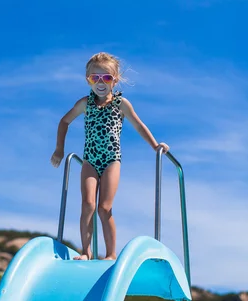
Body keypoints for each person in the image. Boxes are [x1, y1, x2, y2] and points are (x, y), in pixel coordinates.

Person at [50, 52, 169, 261]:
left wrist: (155, 145)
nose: (100, 82)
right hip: (90, 160)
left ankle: (111, 254)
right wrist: (59, 149)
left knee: (104, 208)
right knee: (88, 204)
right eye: (94, 78)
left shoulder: (121, 104)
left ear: (115, 79)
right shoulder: (85, 103)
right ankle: (86, 252)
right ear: (88, 80)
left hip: (111, 161)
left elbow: (139, 126)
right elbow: (64, 122)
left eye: (105, 77)